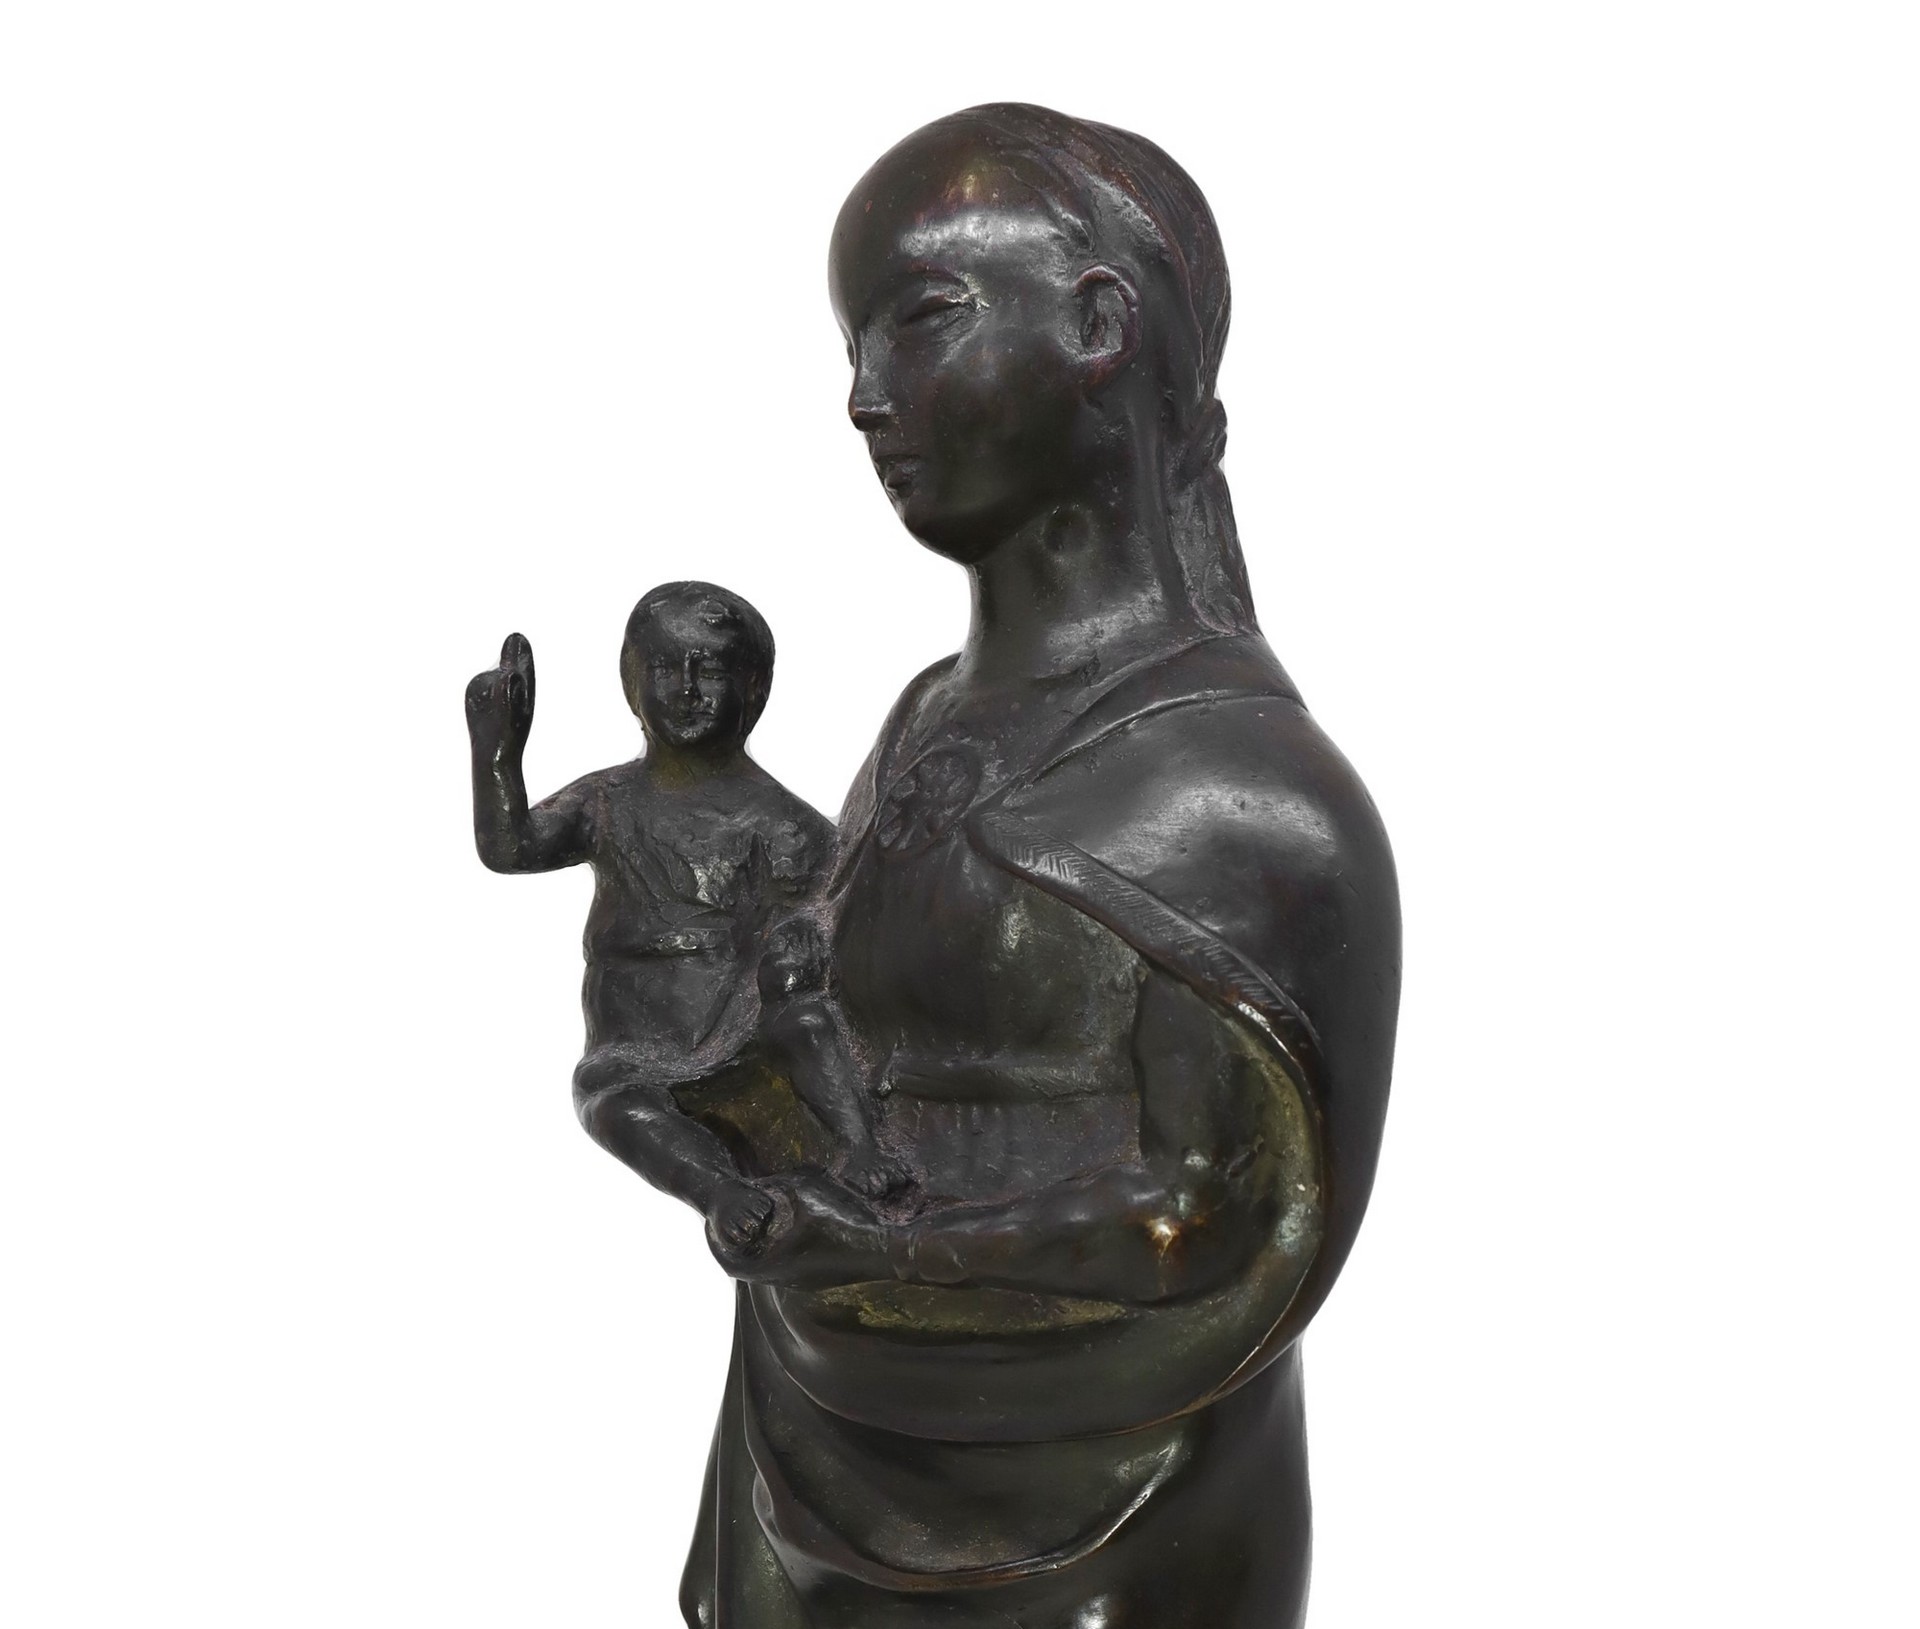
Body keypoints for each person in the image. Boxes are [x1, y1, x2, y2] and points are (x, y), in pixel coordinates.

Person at [677, 106, 1402, 1629]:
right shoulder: (917, 725)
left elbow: (1213, 1223)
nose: (863, 397)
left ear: (1096, 326)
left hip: (1112, 1530)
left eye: (919, 318)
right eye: (853, 346)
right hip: (808, 1452)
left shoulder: (1240, 804)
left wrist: (887, 1238)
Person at [465, 581, 838, 1253]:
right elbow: (510, 847)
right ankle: (720, 1191)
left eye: (710, 669)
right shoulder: (606, 800)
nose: (687, 688)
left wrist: (803, 947)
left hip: (740, 1035)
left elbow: (830, 920)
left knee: (807, 1029)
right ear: (630, 682)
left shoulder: (781, 823)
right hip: (633, 1052)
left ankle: (851, 1157)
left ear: (754, 689)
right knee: (608, 1102)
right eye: (666, 666)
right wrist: (497, 750)